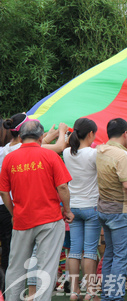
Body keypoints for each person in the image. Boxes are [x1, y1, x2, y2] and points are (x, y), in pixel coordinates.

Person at [0, 120, 74, 301]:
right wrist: (68, 210)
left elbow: (3, 191)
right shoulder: (50, 156)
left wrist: (13, 213)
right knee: (46, 267)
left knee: (16, 267)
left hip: (22, 220)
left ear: (21, 136)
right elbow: (63, 187)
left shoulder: (9, 158)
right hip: (49, 219)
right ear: (41, 137)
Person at [96, 118, 127, 301]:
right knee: (121, 258)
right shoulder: (121, 156)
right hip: (120, 212)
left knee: (109, 254)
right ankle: (115, 297)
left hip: (104, 210)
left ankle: (106, 296)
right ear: (125, 134)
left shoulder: (101, 150)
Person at [63, 118, 101, 301]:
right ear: (91, 134)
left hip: (73, 207)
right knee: (90, 251)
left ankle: (74, 291)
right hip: (91, 206)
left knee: (75, 251)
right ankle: (91, 292)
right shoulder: (93, 154)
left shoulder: (66, 153)